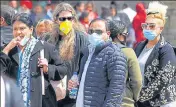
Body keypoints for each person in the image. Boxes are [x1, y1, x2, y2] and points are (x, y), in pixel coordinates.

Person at [2, 13, 67, 107]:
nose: (18, 32)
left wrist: (48, 68)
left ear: (31, 30)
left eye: (22, 28)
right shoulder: (8, 49)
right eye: (15, 29)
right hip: (14, 101)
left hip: (39, 101)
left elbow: (63, 69)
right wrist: (7, 49)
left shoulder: (45, 47)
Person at [68, 18, 127, 107]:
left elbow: (116, 90)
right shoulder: (87, 52)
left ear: (108, 34)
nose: (94, 35)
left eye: (99, 32)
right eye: (91, 31)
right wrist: (76, 84)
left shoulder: (114, 54)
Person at [134, 1, 176, 107]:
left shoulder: (166, 49)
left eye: (152, 26)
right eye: (145, 25)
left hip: (162, 102)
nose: (147, 29)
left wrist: (140, 95)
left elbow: (164, 78)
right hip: (141, 102)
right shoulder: (139, 46)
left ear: (160, 28)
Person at [49, 2, 88, 107]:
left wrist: (78, 78)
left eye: (69, 18)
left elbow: (86, 62)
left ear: (74, 19)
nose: (66, 21)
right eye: (62, 19)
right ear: (56, 20)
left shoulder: (81, 38)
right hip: (55, 91)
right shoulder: (50, 38)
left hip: (73, 94)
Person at [108, 20, 142, 107]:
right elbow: (137, 81)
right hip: (124, 101)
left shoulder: (100, 51)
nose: (126, 36)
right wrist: (135, 97)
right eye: (125, 34)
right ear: (119, 35)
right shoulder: (128, 52)